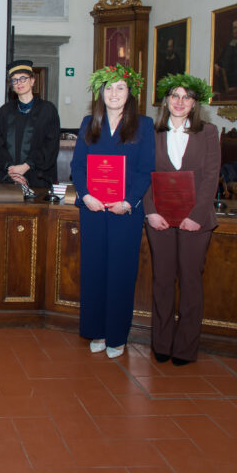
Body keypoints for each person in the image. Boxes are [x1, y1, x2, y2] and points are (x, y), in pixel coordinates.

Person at [70, 64, 155, 359]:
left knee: (120, 273)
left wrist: (129, 202)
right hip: (93, 210)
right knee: (94, 271)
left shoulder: (143, 125)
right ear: (100, 93)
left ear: (129, 92)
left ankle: (117, 336)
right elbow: (78, 166)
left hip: (125, 213)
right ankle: (97, 330)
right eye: (108, 88)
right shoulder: (88, 123)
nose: (114, 93)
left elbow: (146, 171)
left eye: (120, 87)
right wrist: (87, 195)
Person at [143, 74, 219, 366]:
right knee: (162, 281)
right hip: (159, 219)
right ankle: (161, 343)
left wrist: (196, 216)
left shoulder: (208, 132)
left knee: (190, 282)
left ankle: (185, 347)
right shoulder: (153, 132)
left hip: (195, 222)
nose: (179, 102)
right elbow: (145, 173)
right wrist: (150, 211)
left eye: (186, 97)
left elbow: (212, 176)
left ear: (194, 103)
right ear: (166, 101)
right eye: (174, 96)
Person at [0, 60, 60, 188]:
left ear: (33, 81)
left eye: (23, 78)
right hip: (9, 178)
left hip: (38, 178)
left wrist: (26, 166)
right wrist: (11, 169)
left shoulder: (47, 110)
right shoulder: (4, 112)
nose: (19, 83)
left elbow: (50, 145)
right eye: (15, 80)